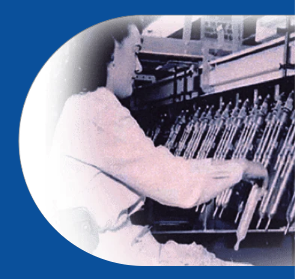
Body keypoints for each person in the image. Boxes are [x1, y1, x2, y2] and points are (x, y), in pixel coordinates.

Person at [46, 17, 268, 266]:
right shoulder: (97, 109)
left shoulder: (80, 106)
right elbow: (176, 181)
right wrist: (242, 168)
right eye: (135, 51)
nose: (139, 67)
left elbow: (162, 172)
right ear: (111, 52)